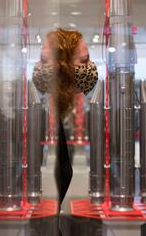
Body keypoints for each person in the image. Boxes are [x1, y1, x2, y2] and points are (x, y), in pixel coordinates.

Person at [32, 28, 98, 234]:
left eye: (88, 59)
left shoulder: (89, 105)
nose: (92, 67)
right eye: (85, 60)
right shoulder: (38, 109)